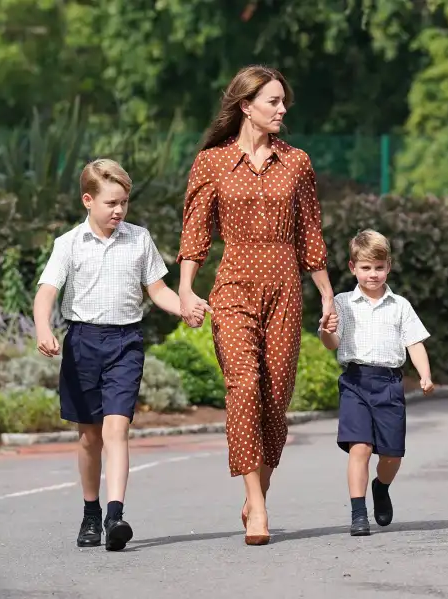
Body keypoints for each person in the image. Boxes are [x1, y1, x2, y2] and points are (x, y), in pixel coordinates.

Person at [176, 65, 337, 546]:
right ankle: (260, 508)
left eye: (283, 101)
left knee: (275, 396)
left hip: (286, 287)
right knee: (244, 386)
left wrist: (328, 294)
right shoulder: (212, 163)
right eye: (273, 101)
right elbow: (195, 232)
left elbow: (310, 233)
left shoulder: (298, 162)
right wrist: (186, 289)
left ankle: (255, 493)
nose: (282, 109)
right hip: (234, 288)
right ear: (246, 106)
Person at [33, 158, 209, 551]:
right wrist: (44, 328)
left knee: (117, 428)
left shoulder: (138, 238)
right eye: (111, 202)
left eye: (124, 202)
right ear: (88, 200)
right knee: (88, 437)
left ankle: (115, 516)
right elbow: (47, 292)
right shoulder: (68, 244)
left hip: (125, 344)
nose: (119, 210)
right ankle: (91, 512)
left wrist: (185, 305)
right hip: (82, 344)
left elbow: (158, 290)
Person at [318, 229, 434, 536]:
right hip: (355, 382)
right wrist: (325, 329)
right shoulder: (342, 303)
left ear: (389, 267)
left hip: (389, 384)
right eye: (366, 268)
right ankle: (359, 513)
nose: (373, 274)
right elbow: (331, 343)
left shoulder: (400, 305)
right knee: (360, 448)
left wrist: (424, 374)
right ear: (352, 267)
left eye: (379, 268)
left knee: (392, 454)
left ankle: (381, 487)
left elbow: (415, 343)